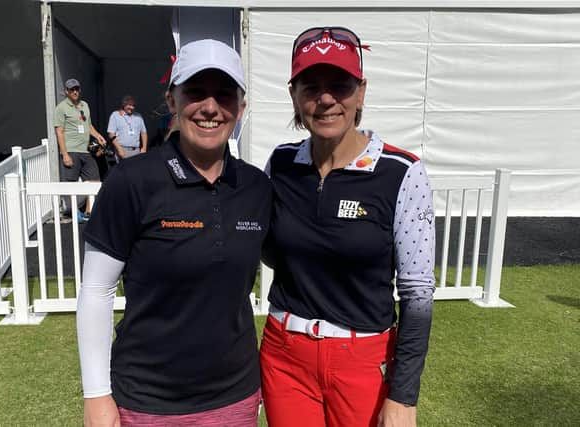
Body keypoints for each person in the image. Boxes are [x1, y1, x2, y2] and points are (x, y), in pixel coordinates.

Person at [76, 39, 271, 427]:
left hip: (234, 397)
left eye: (225, 95)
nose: (211, 107)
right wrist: (96, 394)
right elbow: (97, 289)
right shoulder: (132, 181)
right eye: (196, 92)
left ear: (241, 107)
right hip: (147, 401)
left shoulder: (255, 187)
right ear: (171, 101)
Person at [260, 27, 436, 427]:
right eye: (311, 86)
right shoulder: (282, 163)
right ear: (294, 95)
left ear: (361, 92)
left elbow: (417, 295)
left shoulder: (402, 173)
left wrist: (403, 396)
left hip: (363, 361)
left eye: (339, 85)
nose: (325, 99)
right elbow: (267, 247)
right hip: (284, 355)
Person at [54, 78, 107, 222]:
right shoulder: (61, 108)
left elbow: (88, 125)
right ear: (66, 91)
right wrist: (64, 154)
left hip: (85, 150)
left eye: (77, 89)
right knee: (71, 183)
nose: (75, 91)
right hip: (71, 150)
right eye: (72, 89)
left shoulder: (85, 105)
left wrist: (98, 136)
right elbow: (59, 132)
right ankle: (75, 212)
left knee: (95, 179)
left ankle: (89, 212)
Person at [107, 95, 148, 162]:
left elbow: (144, 132)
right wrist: (119, 149)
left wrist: (144, 148)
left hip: (136, 151)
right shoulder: (115, 115)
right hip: (123, 150)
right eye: (129, 105)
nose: (132, 107)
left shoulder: (138, 116)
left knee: (136, 172)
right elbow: (111, 134)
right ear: (124, 104)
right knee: (124, 171)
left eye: (133, 105)